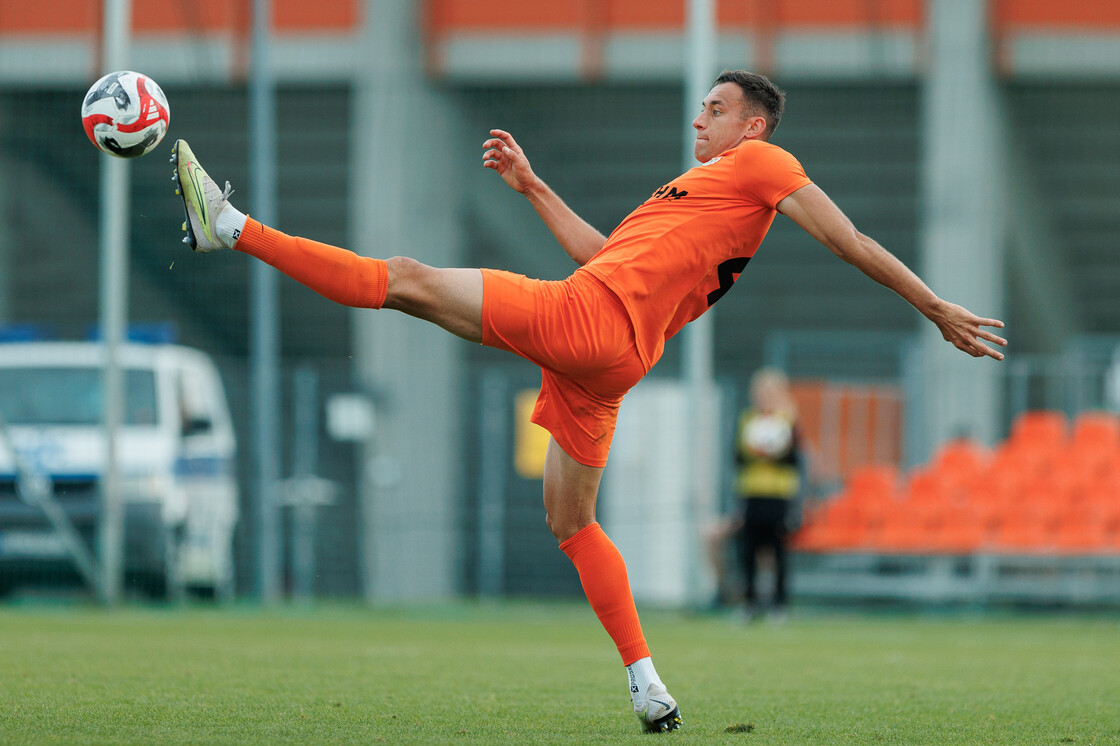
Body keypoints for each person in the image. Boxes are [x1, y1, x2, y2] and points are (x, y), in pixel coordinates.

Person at [170, 70, 1006, 732]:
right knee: (572, 523)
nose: (699, 120)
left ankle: (233, 227)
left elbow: (845, 238)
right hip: (609, 357)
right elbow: (604, 252)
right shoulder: (697, 192)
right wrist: (533, 187)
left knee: (410, 283)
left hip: (588, 323)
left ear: (754, 125)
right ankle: (648, 686)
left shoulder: (763, 164)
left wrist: (934, 307)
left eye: (715, 108)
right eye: (702, 109)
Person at [733, 368, 803, 622]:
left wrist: (777, 452)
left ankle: (779, 605)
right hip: (751, 493)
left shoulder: (788, 421)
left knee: (778, 551)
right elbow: (738, 457)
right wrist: (755, 451)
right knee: (748, 551)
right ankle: (750, 603)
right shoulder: (747, 420)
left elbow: (795, 461)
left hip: (779, 496)